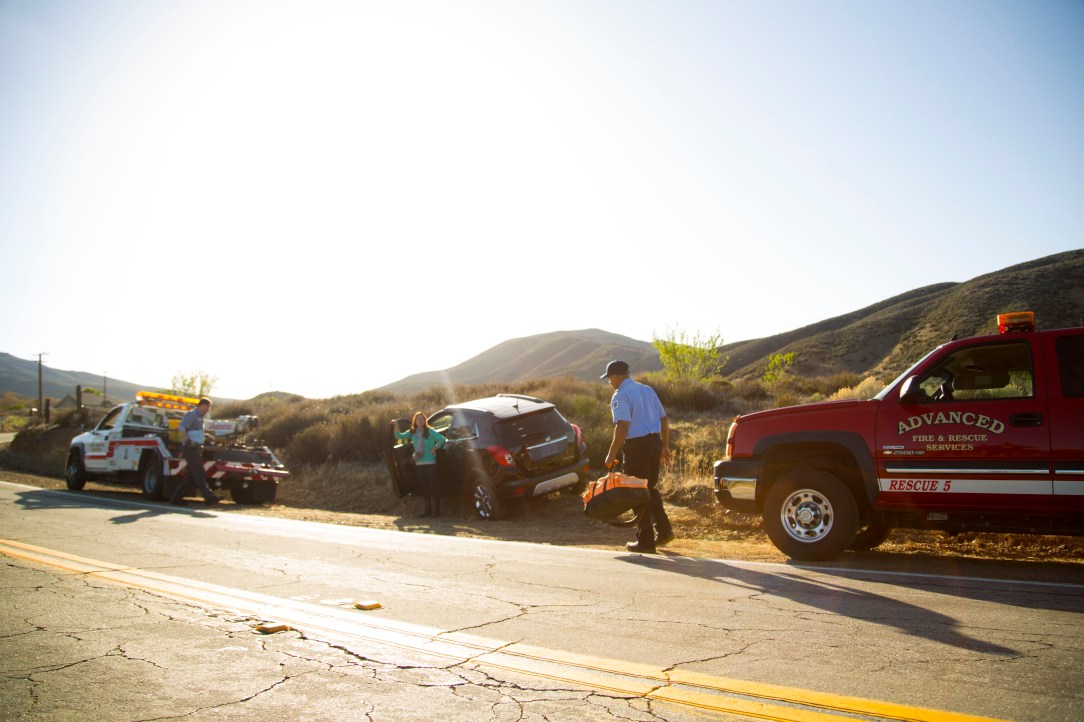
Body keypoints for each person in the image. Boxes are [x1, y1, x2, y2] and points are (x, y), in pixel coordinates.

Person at [601, 360, 674, 553]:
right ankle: (664, 530)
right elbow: (664, 419)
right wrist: (665, 446)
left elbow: (622, 426)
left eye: (609, 378)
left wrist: (611, 454)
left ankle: (645, 540)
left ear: (616, 376)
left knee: (635, 491)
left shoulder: (621, 394)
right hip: (654, 444)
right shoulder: (647, 390)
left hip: (638, 447)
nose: (609, 382)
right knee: (648, 488)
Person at [392, 412, 447, 518]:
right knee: (424, 486)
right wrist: (396, 425)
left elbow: (442, 439)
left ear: (425, 420)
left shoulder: (430, 431)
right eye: (418, 419)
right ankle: (428, 511)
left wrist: (435, 448)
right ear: (415, 421)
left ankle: (436, 512)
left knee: (432, 485)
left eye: (422, 419)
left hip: (430, 462)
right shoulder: (412, 432)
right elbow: (398, 436)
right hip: (419, 463)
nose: (420, 421)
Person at [170, 397, 222, 507]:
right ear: (202, 405)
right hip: (190, 448)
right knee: (199, 472)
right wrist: (188, 442)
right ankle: (209, 497)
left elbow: (196, 431)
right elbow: (182, 428)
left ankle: (176, 498)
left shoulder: (199, 417)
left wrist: (206, 436)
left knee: (192, 475)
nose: (208, 410)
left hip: (197, 447)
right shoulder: (192, 415)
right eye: (208, 407)